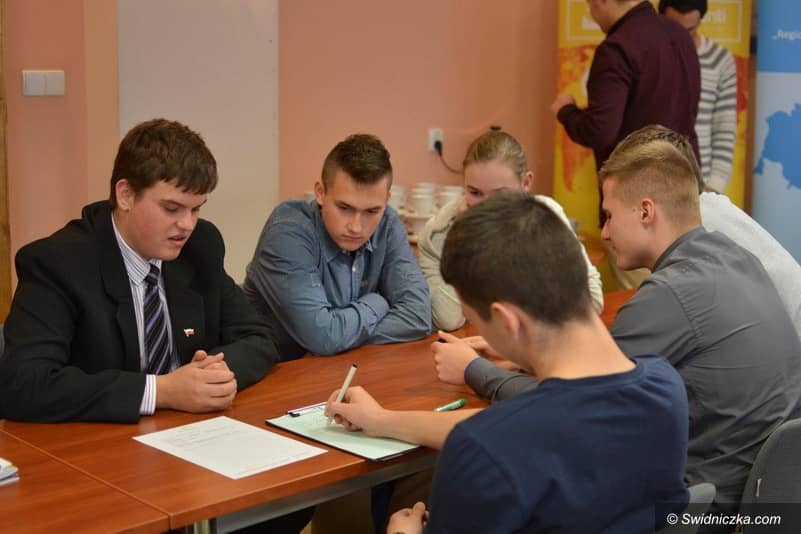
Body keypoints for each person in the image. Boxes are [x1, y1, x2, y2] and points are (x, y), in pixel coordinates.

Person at [438, 129, 801, 521]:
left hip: (705, 511)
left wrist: (474, 370)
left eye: (609, 215)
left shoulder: (670, 294)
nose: (605, 232)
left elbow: (565, 400)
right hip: (769, 497)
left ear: (645, 212)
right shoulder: (736, 256)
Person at [327, 191, 690, 533]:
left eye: (478, 321)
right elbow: (543, 428)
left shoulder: (483, 450)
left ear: (507, 321)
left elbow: (505, 435)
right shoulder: (666, 390)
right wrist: (382, 420)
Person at [0, 118, 279, 423]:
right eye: (171, 209)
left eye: (196, 209)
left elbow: (258, 338)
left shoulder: (201, 245)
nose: (187, 225)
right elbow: (24, 384)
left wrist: (212, 376)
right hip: (98, 441)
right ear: (126, 195)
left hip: (189, 430)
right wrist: (161, 391)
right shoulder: (57, 263)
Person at [243, 134, 431, 361]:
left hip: (339, 368)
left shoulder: (388, 223)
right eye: (344, 208)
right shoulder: (287, 232)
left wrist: (340, 336)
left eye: (371, 211)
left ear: (386, 200)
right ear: (320, 192)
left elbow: (418, 315)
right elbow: (322, 336)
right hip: (276, 372)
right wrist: (379, 301)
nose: (356, 226)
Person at [418, 130, 603, 332]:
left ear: (526, 183)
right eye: (475, 192)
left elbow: (591, 302)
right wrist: (460, 240)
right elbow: (449, 319)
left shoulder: (548, 217)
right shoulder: (438, 233)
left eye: (500, 194)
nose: (486, 206)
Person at [659, 0, 738, 193]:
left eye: (690, 30)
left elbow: (724, 126)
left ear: (700, 19)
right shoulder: (648, 54)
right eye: (675, 29)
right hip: (649, 177)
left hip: (699, 182)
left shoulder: (719, 59)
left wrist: (715, 185)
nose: (683, 38)